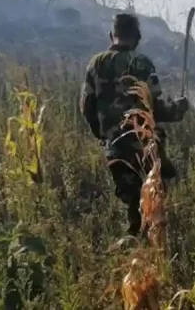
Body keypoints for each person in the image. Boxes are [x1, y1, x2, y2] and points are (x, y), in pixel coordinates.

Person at [80, 13, 189, 237]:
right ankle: (150, 258)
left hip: (115, 149)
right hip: (144, 147)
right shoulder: (141, 63)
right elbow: (156, 108)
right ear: (137, 38)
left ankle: (136, 253)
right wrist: (179, 109)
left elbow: (86, 107)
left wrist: (103, 135)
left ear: (112, 35)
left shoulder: (95, 64)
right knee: (152, 207)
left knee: (133, 206)